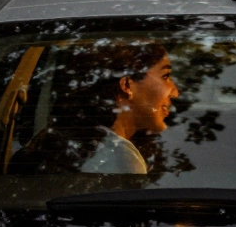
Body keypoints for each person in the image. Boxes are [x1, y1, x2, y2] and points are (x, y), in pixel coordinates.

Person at [10, 40, 178, 174]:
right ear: (127, 85)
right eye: (166, 76)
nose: (175, 92)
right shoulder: (119, 157)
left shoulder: (50, 139)